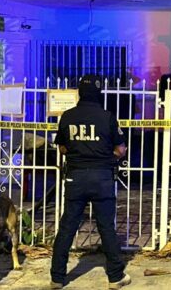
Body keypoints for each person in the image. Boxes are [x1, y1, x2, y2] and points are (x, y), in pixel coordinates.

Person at [49, 75, 130, 289]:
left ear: (80, 93)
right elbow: (121, 150)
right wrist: (106, 156)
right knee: (106, 227)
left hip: (76, 177)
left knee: (67, 227)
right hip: (102, 177)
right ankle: (115, 277)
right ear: (99, 93)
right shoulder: (107, 117)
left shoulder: (67, 116)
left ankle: (57, 277)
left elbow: (62, 147)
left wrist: (78, 152)